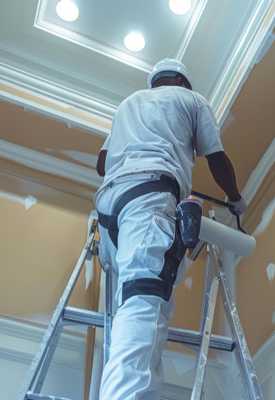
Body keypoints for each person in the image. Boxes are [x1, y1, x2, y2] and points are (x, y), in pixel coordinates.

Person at [94, 58, 247, 399]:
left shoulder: (129, 104)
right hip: (149, 197)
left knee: (143, 299)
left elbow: (101, 163)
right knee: (145, 302)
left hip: (110, 208)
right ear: (180, 80)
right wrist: (235, 199)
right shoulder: (190, 100)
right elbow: (217, 158)